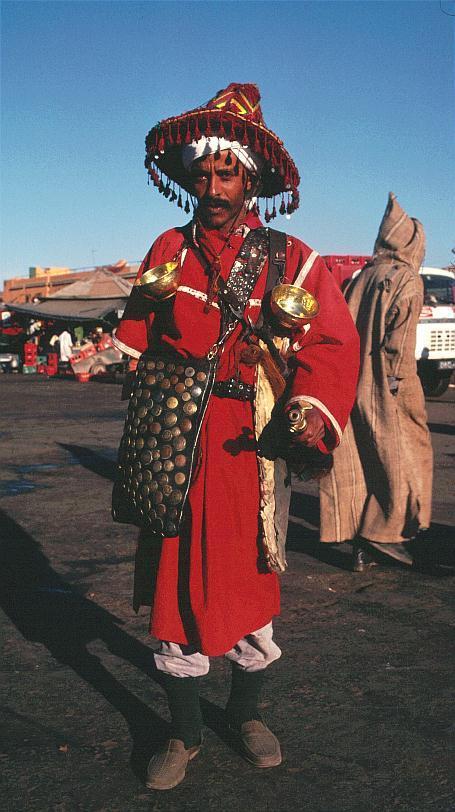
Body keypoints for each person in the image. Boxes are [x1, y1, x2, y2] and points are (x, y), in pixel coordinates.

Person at [113, 82, 359, 790]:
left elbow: (331, 344)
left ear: (251, 179)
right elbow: (138, 334)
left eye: (227, 173)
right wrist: (118, 355)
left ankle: (245, 713)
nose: (213, 186)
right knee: (172, 584)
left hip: (251, 446)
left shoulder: (292, 257)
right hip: (174, 440)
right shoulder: (168, 245)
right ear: (191, 178)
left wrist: (310, 408)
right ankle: (185, 732)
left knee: (250, 582)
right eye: (203, 173)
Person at [319, 193, 433, 571]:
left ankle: (361, 542)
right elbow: (398, 348)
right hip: (389, 385)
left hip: (353, 381)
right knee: (403, 459)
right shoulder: (407, 281)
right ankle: (386, 535)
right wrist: (400, 388)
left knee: (362, 459)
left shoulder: (361, 277)